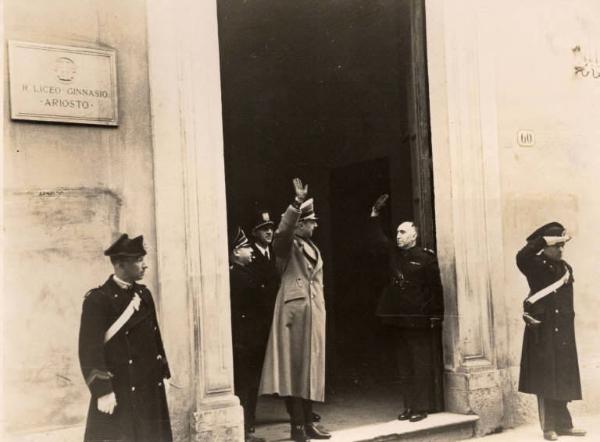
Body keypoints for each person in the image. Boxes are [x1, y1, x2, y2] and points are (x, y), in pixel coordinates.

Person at [78, 234, 172, 442]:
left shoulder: (143, 295)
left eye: (142, 259)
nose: (144, 265)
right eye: (138, 260)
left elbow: (155, 339)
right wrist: (102, 391)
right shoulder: (98, 300)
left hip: (148, 386)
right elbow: (89, 350)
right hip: (120, 389)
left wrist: (162, 374)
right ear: (120, 265)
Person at [260, 178, 330, 441]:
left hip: (313, 314)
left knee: (310, 369)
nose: (315, 224)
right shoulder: (287, 245)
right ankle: (297, 425)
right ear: (300, 223)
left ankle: (309, 423)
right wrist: (296, 203)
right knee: (293, 371)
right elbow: (281, 233)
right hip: (293, 315)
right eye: (311, 221)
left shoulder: (312, 246)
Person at [368, 194, 444, 423]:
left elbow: (435, 289)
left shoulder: (426, 258)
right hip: (398, 319)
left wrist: (436, 315)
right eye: (397, 232)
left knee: (419, 364)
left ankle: (421, 408)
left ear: (413, 236)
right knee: (404, 366)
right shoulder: (395, 254)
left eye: (402, 232)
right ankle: (409, 406)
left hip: (417, 320)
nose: (398, 236)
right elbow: (378, 239)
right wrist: (374, 215)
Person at [517, 222, 586, 441]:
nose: (560, 250)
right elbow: (521, 256)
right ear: (546, 246)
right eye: (556, 245)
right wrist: (542, 240)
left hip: (563, 331)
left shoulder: (566, 268)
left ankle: (565, 424)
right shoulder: (535, 264)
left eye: (562, 246)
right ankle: (548, 427)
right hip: (543, 330)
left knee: (563, 375)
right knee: (546, 378)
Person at [229, 227, 268, 442]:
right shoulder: (236, 276)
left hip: (251, 337)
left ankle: (248, 427)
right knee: (245, 384)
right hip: (243, 339)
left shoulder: (246, 273)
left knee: (251, 383)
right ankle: (244, 430)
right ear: (236, 252)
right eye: (246, 248)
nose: (251, 252)